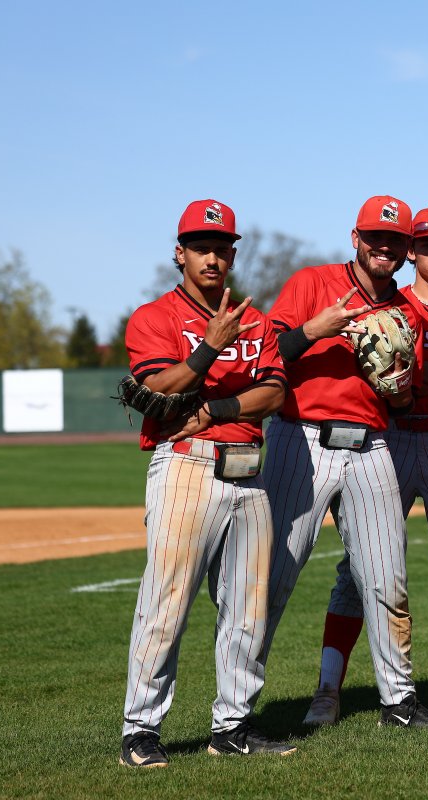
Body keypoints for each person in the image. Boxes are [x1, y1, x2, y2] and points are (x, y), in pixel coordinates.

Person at [301, 206, 428, 726]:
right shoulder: (387, 302)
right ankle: (327, 690)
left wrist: (408, 368)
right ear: (410, 251)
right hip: (387, 438)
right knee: (356, 571)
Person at [260, 196, 428, 731]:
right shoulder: (311, 283)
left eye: (395, 241)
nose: (384, 247)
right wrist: (313, 330)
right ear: (356, 238)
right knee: (272, 577)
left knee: (387, 578)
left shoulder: (408, 312)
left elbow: (403, 402)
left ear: (407, 249)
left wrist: (399, 389)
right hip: (302, 439)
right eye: (375, 237)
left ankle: (399, 701)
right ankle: (236, 711)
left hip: (372, 446)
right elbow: (263, 354)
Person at [119, 199, 292, 767]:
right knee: (166, 601)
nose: (212, 258)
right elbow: (158, 389)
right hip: (186, 467)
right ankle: (140, 731)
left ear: (233, 256)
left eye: (221, 248)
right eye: (200, 248)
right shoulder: (154, 317)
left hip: (249, 470)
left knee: (248, 607)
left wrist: (216, 406)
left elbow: (274, 393)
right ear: (181, 254)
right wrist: (211, 345)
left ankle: (233, 726)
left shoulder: (256, 321)